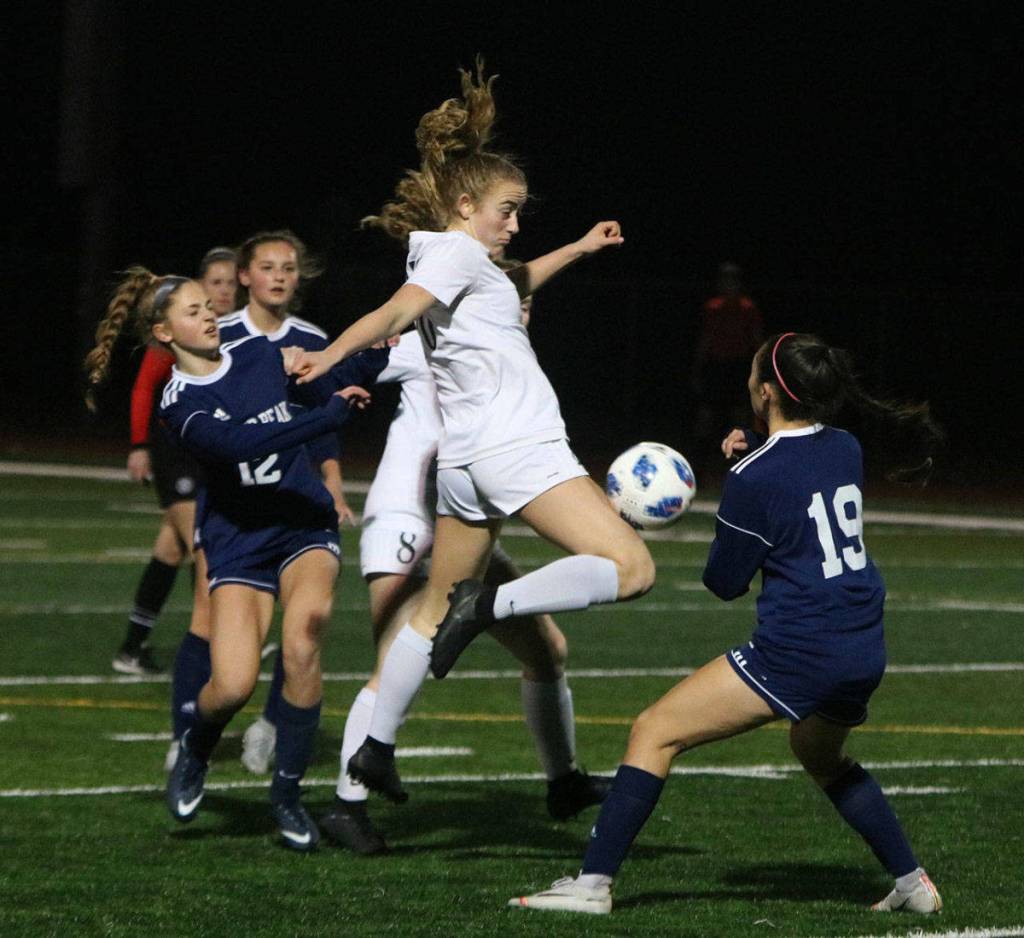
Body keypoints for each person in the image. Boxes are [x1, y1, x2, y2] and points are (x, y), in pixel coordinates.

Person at [288, 59, 655, 804]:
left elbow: (514, 282)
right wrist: (329, 353)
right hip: (516, 447)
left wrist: (580, 249)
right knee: (630, 569)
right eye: (507, 211)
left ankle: (375, 752)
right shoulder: (454, 255)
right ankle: (487, 606)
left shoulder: (465, 263)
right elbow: (393, 312)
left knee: (426, 615)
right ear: (464, 205)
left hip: (464, 465)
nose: (515, 226)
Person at [509, 332, 945, 915]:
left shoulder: (755, 476)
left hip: (799, 648)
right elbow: (797, 478)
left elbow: (724, 582)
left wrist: (731, 487)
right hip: (862, 643)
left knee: (654, 731)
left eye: (752, 372)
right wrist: (751, 464)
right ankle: (913, 884)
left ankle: (590, 887)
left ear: (765, 391)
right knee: (820, 754)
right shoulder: (845, 447)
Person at [84, 269, 383, 850]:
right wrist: (329, 415)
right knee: (234, 684)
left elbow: (325, 379)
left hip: (301, 519)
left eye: (208, 307)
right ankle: (196, 747)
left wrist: (366, 360)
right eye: (193, 310)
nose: (208, 316)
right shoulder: (180, 401)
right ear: (163, 332)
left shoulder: (263, 352)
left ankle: (287, 795)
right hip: (239, 537)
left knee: (304, 642)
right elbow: (239, 445)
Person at [312, 288, 608, 855]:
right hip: (407, 521)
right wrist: (326, 385)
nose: (518, 309)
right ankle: (346, 806)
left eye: (525, 303)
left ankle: (564, 781)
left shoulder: (506, 354)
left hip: (459, 525)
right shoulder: (433, 340)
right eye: (510, 299)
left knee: (546, 651)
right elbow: (354, 360)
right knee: (398, 657)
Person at [206, 230, 365, 774]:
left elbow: (322, 429)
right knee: (215, 634)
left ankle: (275, 733)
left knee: (304, 630)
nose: (279, 276)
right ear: (245, 275)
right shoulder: (217, 336)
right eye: (268, 266)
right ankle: (191, 736)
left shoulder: (313, 338)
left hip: (299, 512)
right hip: (235, 513)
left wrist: (334, 487)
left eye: (289, 268)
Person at [112, 247, 237, 675]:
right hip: (176, 455)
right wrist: (139, 444)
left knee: (170, 549)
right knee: (206, 550)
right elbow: (145, 388)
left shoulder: (226, 332)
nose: (222, 291)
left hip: (208, 457)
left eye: (229, 282)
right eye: (213, 283)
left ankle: (131, 647)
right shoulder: (179, 332)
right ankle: (209, 649)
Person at [689, 262, 764, 476]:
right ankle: (699, 468)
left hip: (738, 367)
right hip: (716, 368)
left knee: (740, 418)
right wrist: (698, 369)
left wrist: (758, 372)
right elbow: (705, 340)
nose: (728, 284)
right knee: (706, 417)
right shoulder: (712, 307)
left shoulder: (748, 308)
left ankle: (739, 469)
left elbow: (756, 340)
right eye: (725, 280)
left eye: (732, 280)